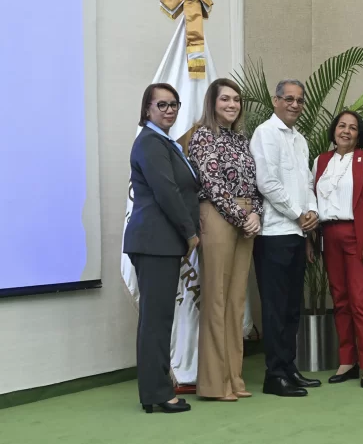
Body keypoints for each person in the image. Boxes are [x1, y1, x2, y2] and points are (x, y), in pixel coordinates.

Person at [123, 83, 198, 413]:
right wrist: (191, 233)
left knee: (157, 319)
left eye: (174, 105)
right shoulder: (151, 142)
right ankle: (156, 393)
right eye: (162, 105)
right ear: (147, 109)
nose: (169, 110)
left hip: (161, 243)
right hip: (155, 242)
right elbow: (167, 192)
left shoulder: (162, 142)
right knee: (156, 320)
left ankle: (154, 391)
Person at [188, 78, 263, 402]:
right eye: (225, 100)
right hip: (218, 216)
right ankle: (214, 384)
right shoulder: (202, 136)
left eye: (236, 100)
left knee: (236, 301)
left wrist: (255, 213)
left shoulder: (241, 139)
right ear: (212, 103)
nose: (232, 105)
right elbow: (210, 182)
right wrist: (240, 214)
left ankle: (233, 376)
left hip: (246, 219)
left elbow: (254, 183)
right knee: (216, 299)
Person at [250, 79, 321, 397]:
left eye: (299, 100)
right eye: (288, 99)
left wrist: (312, 213)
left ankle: (289, 368)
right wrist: (297, 213)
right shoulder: (265, 133)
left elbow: (307, 181)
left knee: (292, 307)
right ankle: (274, 375)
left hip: (296, 232)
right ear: (275, 101)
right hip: (274, 233)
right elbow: (266, 182)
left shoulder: (300, 139)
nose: (295, 104)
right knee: (276, 307)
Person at [306, 111, 363, 388]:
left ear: (358, 134)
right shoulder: (321, 161)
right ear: (334, 130)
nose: (346, 131)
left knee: (360, 302)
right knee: (339, 301)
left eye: (353, 128)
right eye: (342, 126)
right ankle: (347, 361)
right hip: (329, 235)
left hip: (357, 236)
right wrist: (311, 239)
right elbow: (311, 199)